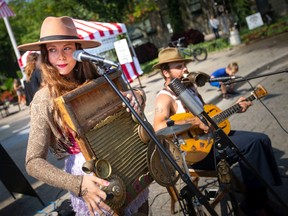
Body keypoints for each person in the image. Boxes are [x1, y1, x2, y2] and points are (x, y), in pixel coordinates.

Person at [18, 16, 148, 216]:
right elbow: (33, 162)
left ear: (78, 49)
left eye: (67, 48)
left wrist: (137, 96)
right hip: (94, 186)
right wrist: (78, 184)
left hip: (127, 166)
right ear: (45, 55)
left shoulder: (99, 78)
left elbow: (133, 100)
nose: (60, 56)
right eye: (53, 50)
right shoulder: (44, 99)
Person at [152, 47, 284, 215]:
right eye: (179, 66)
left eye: (184, 65)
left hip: (212, 139)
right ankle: (255, 205)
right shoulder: (164, 97)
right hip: (198, 153)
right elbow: (159, 129)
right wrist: (193, 121)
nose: (185, 69)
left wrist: (237, 107)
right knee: (252, 145)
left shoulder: (190, 88)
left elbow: (207, 117)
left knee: (262, 139)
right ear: (165, 72)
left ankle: (260, 198)